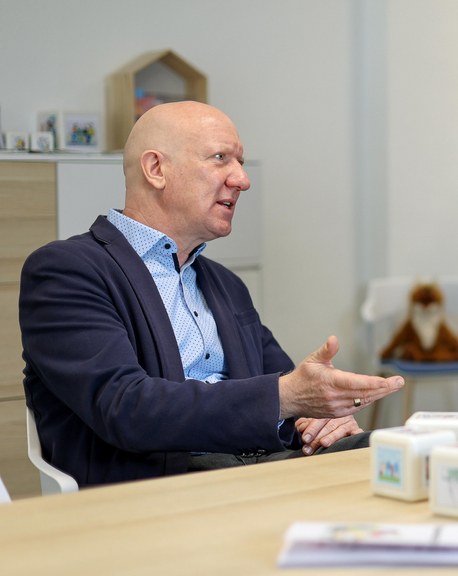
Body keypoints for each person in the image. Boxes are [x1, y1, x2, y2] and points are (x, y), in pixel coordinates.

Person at [20, 102, 405, 487]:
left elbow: (286, 384)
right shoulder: (66, 270)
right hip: (159, 483)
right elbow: (125, 409)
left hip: (264, 466)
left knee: (416, 452)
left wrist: (322, 414)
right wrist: (289, 396)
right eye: (221, 158)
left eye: (240, 161)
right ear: (156, 169)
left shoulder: (224, 283)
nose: (242, 179)